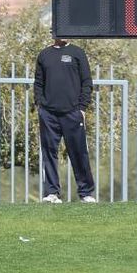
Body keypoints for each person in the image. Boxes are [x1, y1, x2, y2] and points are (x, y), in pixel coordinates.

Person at [34, 35, 96, 203]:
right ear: (53, 33)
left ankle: (86, 193)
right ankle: (52, 193)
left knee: (79, 153)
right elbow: (38, 83)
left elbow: (87, 82)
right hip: (48, 114)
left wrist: (82, 108)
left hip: (72, 113)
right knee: (49, 153)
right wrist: (40, 105)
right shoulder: (44, 55)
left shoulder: (78, 53)